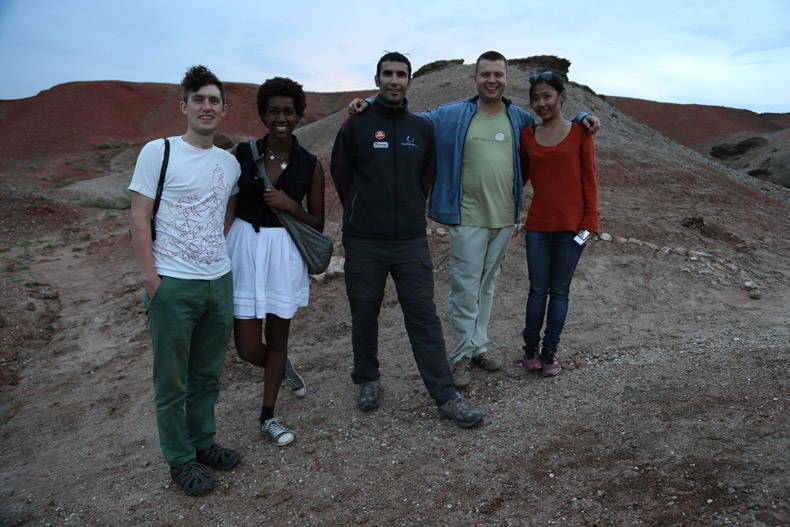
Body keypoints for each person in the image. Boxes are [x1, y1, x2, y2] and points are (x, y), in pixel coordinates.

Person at [348, 51, 600, 389]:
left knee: (487, 285)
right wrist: (368, 100)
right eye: (485, 74)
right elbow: (405, 114)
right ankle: (461, 356)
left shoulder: (520, 119)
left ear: (506, 78)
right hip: (466, 216)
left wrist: (584, 115)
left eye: (498, 74)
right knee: (465, 289)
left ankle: (478, 347)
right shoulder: (453, 115)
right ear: (475, 79)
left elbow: (553, 120)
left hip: (503, 217)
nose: (491, 80)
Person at [330, 52, 483, 428]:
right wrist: (361, 213)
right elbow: (342, 176)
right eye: (388, 74)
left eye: (401, 75)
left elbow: (426, 177)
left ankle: (446, 395)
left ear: (410, 82)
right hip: (364, 239)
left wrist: (410, 210)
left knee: (424, 317)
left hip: (410, 241)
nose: (394, 80)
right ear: (378, 78)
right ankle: (367, 378)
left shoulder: (421, 128)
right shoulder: (356, 124)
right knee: (364, 314)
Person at [129, 65, 241, 496]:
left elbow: (228, 211)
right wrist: (153, 281)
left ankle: (202, 442)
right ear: (184, 106)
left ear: (223, 110)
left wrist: (216, 250)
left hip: (218, 281)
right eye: (199, 99)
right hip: (173, 285)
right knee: (171, 381)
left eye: (214, 100)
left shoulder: (228, 163)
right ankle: (179, 460)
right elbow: (139, 217)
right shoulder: (158, 152)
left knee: (208, 375)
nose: (207, 107)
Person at [225, 77, 324, 446]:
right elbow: (228, 201)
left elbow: (317, 223)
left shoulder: (310, 165)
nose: (281, 118)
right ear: (263, 114)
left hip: (284, 253)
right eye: (274, 111)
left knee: (278, 336)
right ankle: (278, 367)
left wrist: (290, 205)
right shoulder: (242, 154)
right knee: (248, 348)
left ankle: (268, 416)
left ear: (298, 116)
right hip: (245, 250)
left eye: (288, 111)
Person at [519, 71, 599, 376]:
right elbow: (520, 179)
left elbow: (590, 180)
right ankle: (530, 348)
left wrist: (591, 220)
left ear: (561, 97)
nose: (541, 103)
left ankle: (550, 351)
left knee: (560, 291)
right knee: (537, 290)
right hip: (537, 226)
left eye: (547, 96)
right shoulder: (527, 136)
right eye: (535, 98)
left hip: (571, 228)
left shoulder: (581, 132)